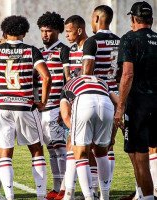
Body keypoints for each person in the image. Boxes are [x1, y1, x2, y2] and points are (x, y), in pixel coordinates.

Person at [0, 15, 52, 200]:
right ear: (24, 32)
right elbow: (46, 77)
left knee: (4, 153)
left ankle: (8, 196)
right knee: (37, 150)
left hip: (2, 106)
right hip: (25, 106)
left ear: (4, 32)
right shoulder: (31, 51)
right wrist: (44, 101)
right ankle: (41, 195)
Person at [115, 1, 157, 199]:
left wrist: (120, 107)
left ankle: (146, 197)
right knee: (141, 152)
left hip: (138, 106)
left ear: (133, 19)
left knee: (139, 156)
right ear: (151, 19)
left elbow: (127, 75)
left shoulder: (129, 39)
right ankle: (141, 195)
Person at [82, 5, 120, 199]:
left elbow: (87, 72)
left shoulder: (92, 41)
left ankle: (94, 190)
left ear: (97, 18)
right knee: (108, 145)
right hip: (116, 97)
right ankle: (105, 190)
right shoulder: (121, 42)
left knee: (88, 146)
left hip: (97, 96)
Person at [60, 75, 114, 200]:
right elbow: (116, 101)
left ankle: (87, 197)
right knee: (102, 154)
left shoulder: (69, 85)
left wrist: (76, 135)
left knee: (80, 153)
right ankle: (105, 197)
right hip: (106, 104)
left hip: (84, 103)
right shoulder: (101, 81)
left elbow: (66, 115)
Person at [36, 11, 70, 200]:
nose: (45, 35)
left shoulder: (63, 50)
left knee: (61, 149)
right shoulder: (39, 52)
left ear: (57, 31)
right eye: (42, 31)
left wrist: (64, 105)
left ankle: (64, 188)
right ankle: (57, 188)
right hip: (43, 107)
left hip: (57, 105)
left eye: (49, 31)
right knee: (51, 149)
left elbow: (68, 79)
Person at [62, 15, 88, 200]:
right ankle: (70, 192)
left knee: (96, 148)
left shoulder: (90, 46)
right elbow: (70, 77)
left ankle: (94, 192)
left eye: (69, 32)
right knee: (72, 143)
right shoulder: (71, 50)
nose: (67, 35)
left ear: (79, 30)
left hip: (89, 99)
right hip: (75, 101)